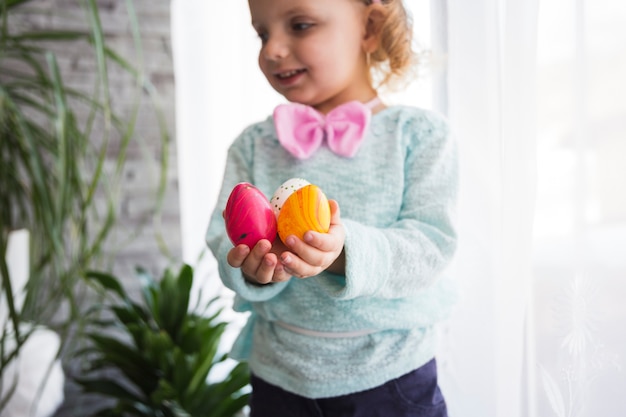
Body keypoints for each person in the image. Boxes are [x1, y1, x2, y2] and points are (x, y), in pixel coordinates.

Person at [206, 0, 458, 415]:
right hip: (279, 380)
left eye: (300, 25)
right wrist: (253, 268)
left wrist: (343, 252)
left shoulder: (420, 136)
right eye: (262, 33)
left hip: (390, 377)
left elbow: (429, 247)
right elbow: (223, 241)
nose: (272, 50)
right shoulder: (252, 146)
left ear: (369, 27)